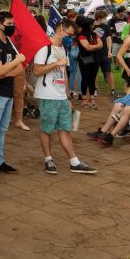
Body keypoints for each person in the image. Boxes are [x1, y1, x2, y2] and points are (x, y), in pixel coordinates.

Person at [34, 21, 97, 175]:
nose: (70, 38)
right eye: (69, 34)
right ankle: (48, 159)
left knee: (65, 128)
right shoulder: (44, 48)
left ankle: (74, 161)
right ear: (60, 30)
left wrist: (67, 96)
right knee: (46, 128)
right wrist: (56, 63)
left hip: (61, 96)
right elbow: (37, 71)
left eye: (72, 36)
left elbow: (64, 74)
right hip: (47, 95)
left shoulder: (64, 49)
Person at [0, 12, 26, 183]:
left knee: (3, 129)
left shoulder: (9, 42)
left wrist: (9, 69)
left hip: (8, 91)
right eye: (9, 23)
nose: (12, 26)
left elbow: (20, 69)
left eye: (13, 22)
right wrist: (13, 65)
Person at [76, 16, 102, 108]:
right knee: (85, 78)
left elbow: (101, 45)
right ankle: (84, 98)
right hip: (85, 59)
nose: (92, 26)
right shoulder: (81, 35)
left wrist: (93, 46)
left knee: (92, 78)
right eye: (90, 25)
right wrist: (96, 46)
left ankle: (91, 98)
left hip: (95, 59)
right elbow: (87, 47)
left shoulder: (94, 34)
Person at [93, 10, 115, 98]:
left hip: (105, 53)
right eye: (104, 18)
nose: (105, 19)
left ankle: (113, 90)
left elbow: (109, 39)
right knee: (95, 72)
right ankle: (95, 88)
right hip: (95, 53)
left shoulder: (106, 27)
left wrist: (109, 51)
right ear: (99, 18)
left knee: (108, 72)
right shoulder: (92, 26)